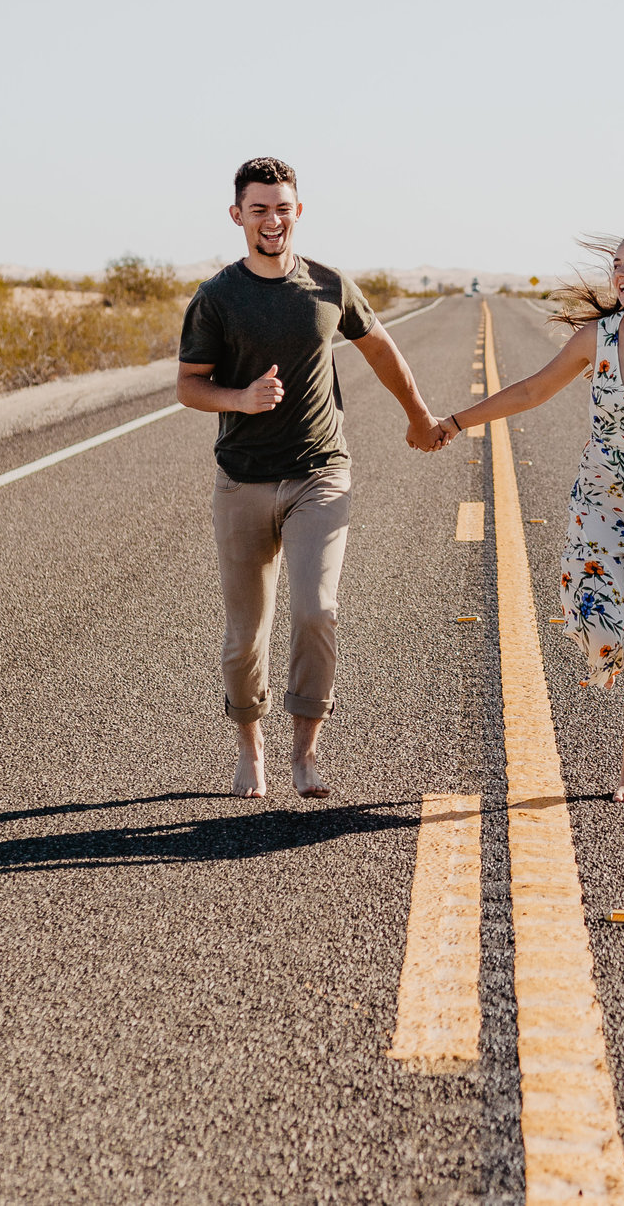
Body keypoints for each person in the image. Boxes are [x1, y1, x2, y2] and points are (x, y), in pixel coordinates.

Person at [177, 156, 446, 799]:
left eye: (283, 207)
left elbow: (381, 349)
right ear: (237, 214)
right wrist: (240, 400)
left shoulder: (329, 287)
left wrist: (419, 415)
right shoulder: (216, 297)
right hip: (242, 482)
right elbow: (189, 386)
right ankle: (250, 748)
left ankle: (304, 752)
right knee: (246, 636)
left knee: (317, 608)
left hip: (320, 475)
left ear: (300, 211)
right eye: (259, 208)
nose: (272, 219)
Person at [436, 232, 624, 802]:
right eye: (616, 265)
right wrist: (454, 422)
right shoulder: (595, 338)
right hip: (601, 501)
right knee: (604, 625)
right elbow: (530, 392)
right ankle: (613, 650)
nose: (621, 273)